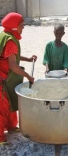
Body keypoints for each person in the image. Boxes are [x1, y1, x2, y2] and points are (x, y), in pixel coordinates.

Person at [0, 12, 37, 145]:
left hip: (5, 78)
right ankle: (0, 137)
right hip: (2, 79)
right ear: (14, 27)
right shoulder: (10, 41)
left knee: (9, 102)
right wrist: (28, 76)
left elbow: (10, 56)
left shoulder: (5, 35)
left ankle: (10, 126)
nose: (23, 28)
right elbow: (13, 65)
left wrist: (27, 59)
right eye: (21, 25)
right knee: (2, 107)